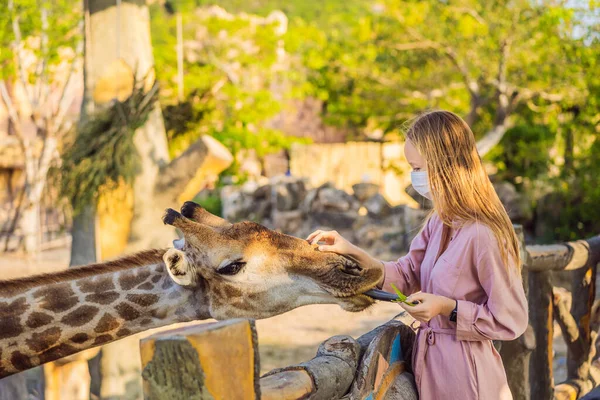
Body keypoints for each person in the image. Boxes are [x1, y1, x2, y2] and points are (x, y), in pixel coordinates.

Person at [306, 110, 528, 399]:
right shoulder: (440, 221)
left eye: (418, 168)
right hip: (430, 370)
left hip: (469, 380)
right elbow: (407, 273)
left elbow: (511, 319)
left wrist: (447, 307)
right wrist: (350, 250)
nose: (414, 177)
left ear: (445, 166)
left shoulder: (484, 234)